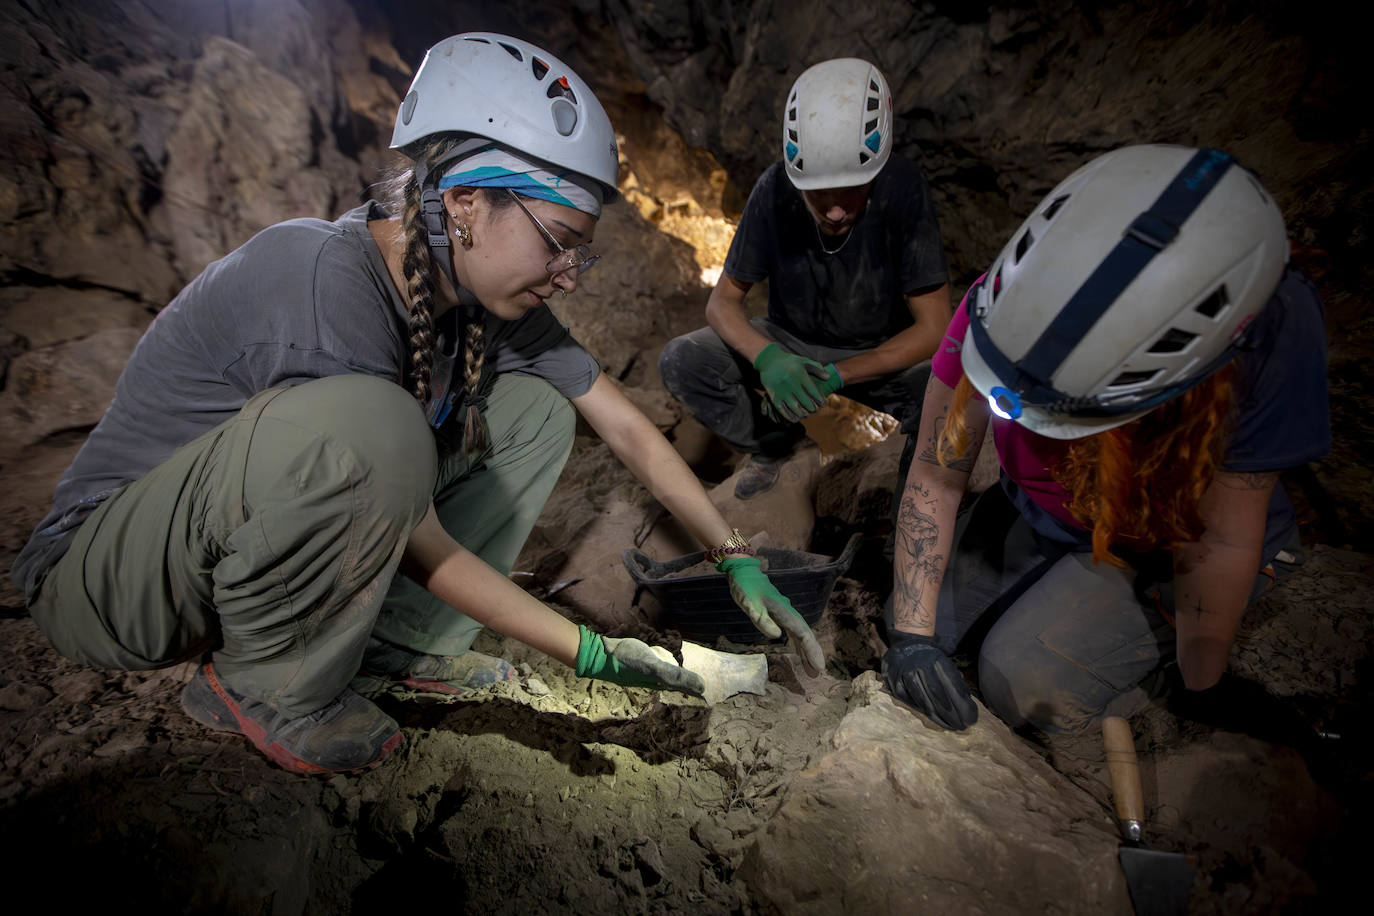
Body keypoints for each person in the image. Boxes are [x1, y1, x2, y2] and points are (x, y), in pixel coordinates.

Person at [10, 33, 823, 776]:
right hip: (110, 584)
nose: (570, 272)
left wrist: (734, 553)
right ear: (466, 205)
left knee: (537, 411)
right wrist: (592, 653)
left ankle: (400, 645)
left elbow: (621, 424)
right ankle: (260, 686)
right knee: (380, 428)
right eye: (558, 241)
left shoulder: (476, 292)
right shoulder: (326, 286)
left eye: (582, 249)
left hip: (221, 559)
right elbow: (415, 538)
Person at [882, 144, 1330, 735]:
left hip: (1158, 536)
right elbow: (940, 470)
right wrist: (913, 639)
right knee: (910, 617)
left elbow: (1219, 541)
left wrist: (1201, 680)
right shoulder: (1018, 298)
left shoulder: (1265, 341)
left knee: (1020, 683)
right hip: (1044, 508)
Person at [659, 57, 951, 500]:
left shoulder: (903, 189)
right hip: (790, 339)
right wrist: (769, 357)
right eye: (820, 195)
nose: (835, 211)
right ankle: (779, 450)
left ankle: (910, 520)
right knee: (684, 359)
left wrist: (839, 374)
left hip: (875, 348)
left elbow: (934, 327)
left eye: (851, 190)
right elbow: (722, 303)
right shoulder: (775, 188)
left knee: (948, 397)